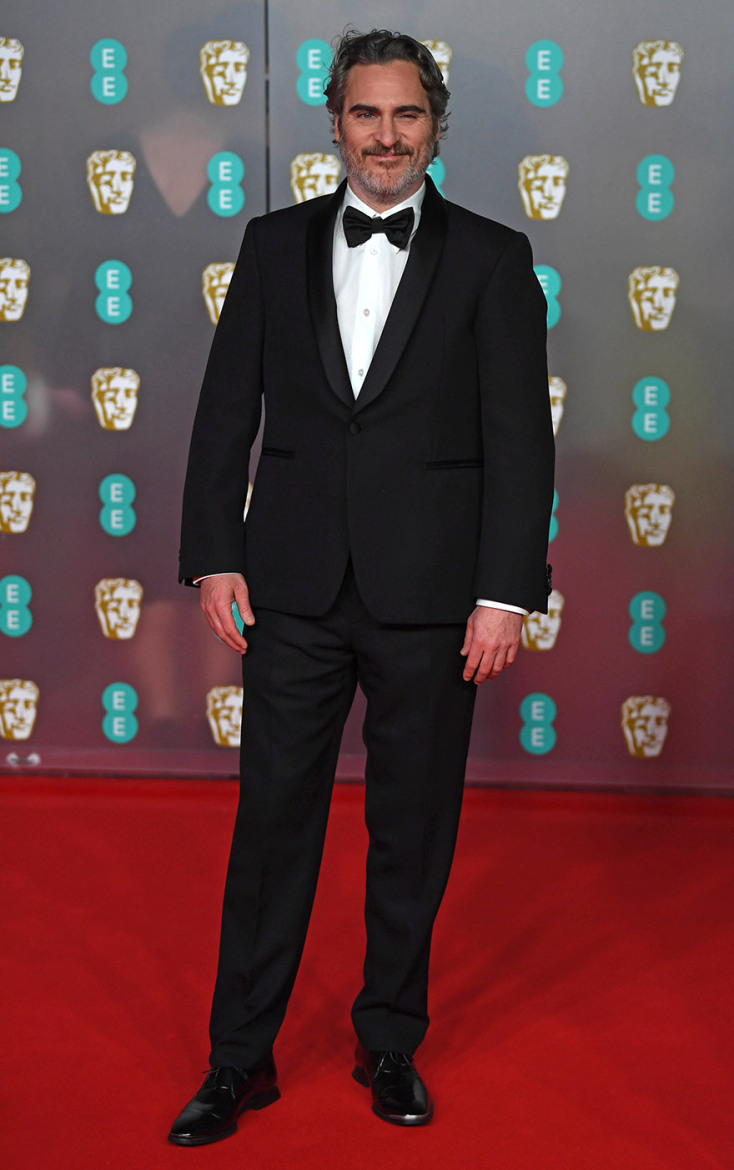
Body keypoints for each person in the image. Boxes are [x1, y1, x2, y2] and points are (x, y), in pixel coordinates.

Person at [171, 28, 554, 1145]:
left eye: (406, 115)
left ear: (435, 125)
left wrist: (505, 593)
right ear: (335, 123)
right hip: (290, 588)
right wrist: (214, 552)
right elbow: (224, 411)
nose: (386, 136)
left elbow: (518, 440)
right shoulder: (271, 242)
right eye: (365, 114)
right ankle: (237, 1061)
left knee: (412, 829)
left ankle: (389, 1040)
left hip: (434, 596)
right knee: (270, 825)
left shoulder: (492, 257)